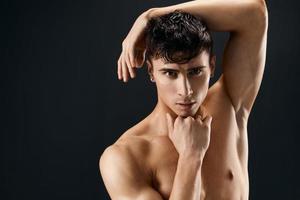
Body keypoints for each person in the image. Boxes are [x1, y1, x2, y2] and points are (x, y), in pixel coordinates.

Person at [99, 0, 268, 199]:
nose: (186, 90)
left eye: (195, 71)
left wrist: (151, 16)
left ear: (211, 66)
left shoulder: (228, 103)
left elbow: (254, 14)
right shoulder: (125, 157)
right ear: (151, 72)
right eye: (170, 73)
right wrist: (191, 156)